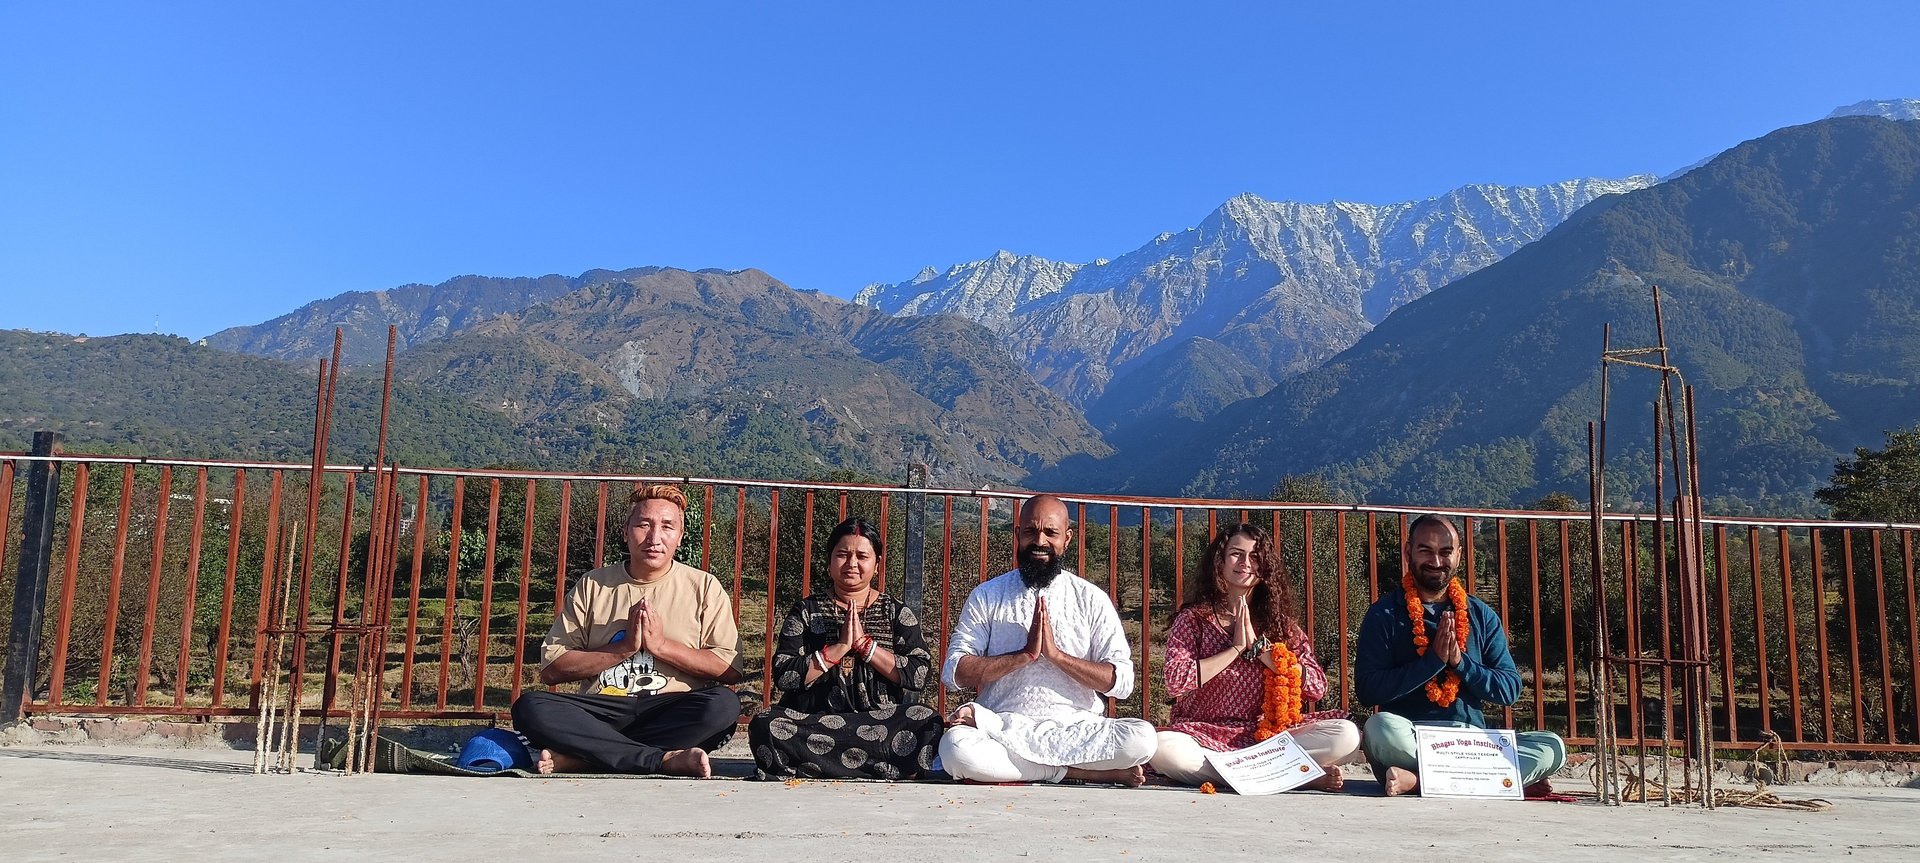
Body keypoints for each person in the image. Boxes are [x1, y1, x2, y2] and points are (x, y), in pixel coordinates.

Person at [510, 484, 742, 777]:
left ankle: (589, 757)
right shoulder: (594, 585)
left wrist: (660, 646)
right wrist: (623, 649)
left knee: (723, 705)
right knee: (531, 707)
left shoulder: (704, 587)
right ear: (625, 531)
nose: (654, 538)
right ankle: (660, 760)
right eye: (643, 525)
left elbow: (729, 668)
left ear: (680, 537)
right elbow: (552, 668)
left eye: (667, 527)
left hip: (669, 710)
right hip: (602, 711)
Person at [938, 494, 1157, 786]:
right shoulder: (988, 595)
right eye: (1030, 531)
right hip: (1003, 726)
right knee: (956, 750)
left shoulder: (1091, 599)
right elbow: (954, 672)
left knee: (1141, 739)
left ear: (1067, 539)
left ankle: (1038, 769)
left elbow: (1122, 682)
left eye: (1050, 533)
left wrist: (1057, 657)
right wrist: (1023, 656)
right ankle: (1077, 773)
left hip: (1076, 730)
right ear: (1017, 535)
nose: (1039, 541)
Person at [1354, 513, 1566, 796]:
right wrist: (1432, 662)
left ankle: (1417, 781)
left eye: (1445, 552)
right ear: (1408, 552)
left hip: (1472, 743)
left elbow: (1510, 689)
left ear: (1459, 555)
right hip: (1412, 737)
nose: (1436, 561)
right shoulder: (1385, 614)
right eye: (1425, 550)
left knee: (1551, 747)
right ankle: (1497, 781)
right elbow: (1368, 690)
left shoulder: (1481, 615)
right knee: (1380, 728)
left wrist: (1460, 662)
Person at [1149, 523, 1360, 790]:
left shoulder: (1280, 625)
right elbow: (1176, 681)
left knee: (1345, 735)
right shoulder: (1193, 620)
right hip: (1203, 732)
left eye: (1255, 556)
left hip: (1269, 738)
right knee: (1164, 748)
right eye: (1236, 554)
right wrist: (1235, 649)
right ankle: (1293, 775)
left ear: (1265, 568)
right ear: (1220, 561)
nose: (1245, 563)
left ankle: (1253, 774)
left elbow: (1317, 687)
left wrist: (1262, 652)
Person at [747, 517, 944, 779]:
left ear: (877, 565)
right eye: (842, 555)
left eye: (862, 556)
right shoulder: (806, 610)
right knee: (765, 724)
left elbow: (919, 674)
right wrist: (837, 649)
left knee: (926, 720)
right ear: (829, 562)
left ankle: (818, 765)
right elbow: (785, 674)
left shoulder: (896, 612)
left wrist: (866, 647)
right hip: (815, 723)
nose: (852, 564)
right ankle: (877, 767)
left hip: (878, 724)